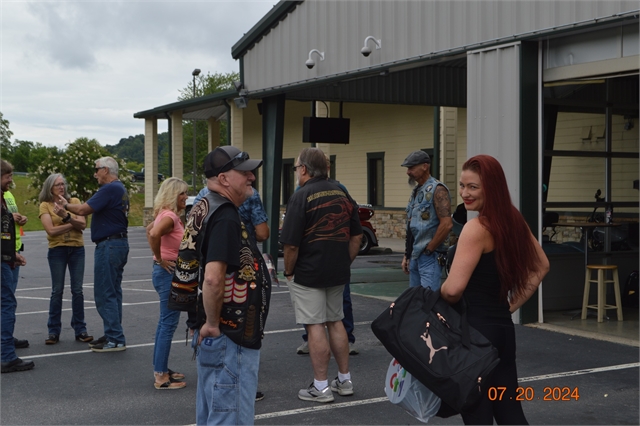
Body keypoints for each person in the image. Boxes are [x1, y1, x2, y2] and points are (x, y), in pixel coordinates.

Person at [440, 154, 549, 424]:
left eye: (473, 187)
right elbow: (541, 266)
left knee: (478, 416)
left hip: (474, 335)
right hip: (502, 332)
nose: (465, 193)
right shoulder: (513, 220)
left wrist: (439, 293)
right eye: (462, 185)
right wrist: (509, 307)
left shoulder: (475, 228)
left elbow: (453, 290)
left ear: (491, 187)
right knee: (510, 414)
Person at [191, 146, 271, 425]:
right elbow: (213, 277)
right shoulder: (225, 215)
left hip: (217, 334)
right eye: (244, 172)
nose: (251, 177)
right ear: (224, 179)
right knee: (229, 418)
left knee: (213, 414)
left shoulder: (204, 206)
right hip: (230, 334)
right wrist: (213, 324)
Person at [280, 147, 362, 403]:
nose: (296, 172)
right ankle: (344, 380)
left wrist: (289, 272)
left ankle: (321, 387)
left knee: (315, 325)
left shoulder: (300, 196)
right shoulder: (342, 192)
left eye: (296, 168)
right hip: (337, 271)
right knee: (336, 321)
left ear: (304, 169)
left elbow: (291, 245)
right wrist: (344, 261)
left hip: (309, 272)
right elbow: (356, 236)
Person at [58, 156, 129, 353]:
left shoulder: (109, 189)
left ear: (105, 170)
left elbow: (83, 209)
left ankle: (115, 338)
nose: (95, 174)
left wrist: (65, 205)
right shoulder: (119, 188)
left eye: (96, 169)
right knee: (113, 292)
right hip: (118, 243)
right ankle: (112, 333)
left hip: (109, 245)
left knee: (105, 293)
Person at [297, 154, 358, 356]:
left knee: (326, 311)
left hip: (319, 262)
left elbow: (290, 241)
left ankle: (345, 339)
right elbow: (356, 234)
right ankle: (315, 341)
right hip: (327, 261)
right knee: (329, 313)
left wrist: (290, 270)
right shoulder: (306, 191)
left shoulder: (337, 189)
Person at [38, 174, 93, 345]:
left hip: (77, 249)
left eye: (63, 184)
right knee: (57, 290)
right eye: (57, 185)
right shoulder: (45, 205)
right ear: (50, 188)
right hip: (57, 250)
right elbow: (51, 231)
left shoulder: (74, 202)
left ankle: (80, 329)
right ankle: (53, 331)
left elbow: (83, 225)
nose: (61, 187)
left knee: (77, 290)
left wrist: (66, 217)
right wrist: (72, 222)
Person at [145, 177, 189, 390]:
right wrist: (160, 258)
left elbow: (149, 230)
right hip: (167, 274)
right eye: (182, 193)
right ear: (173, 195)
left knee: (165, 323)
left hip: (165, 273)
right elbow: (153, 233)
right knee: (168, 324)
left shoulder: (165, 214)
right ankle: (161, 376)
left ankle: (160, 368)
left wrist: (158, 257)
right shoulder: (170, 217)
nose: (186, 197)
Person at [401, 150, 453, 290]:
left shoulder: (438, 190)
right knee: (415, 298)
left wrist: (429, 249)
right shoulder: (416, 191)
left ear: (425, 166)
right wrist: (407, 255)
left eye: (411, 168)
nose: (408, 172)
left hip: (430, 256)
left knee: (428, 298)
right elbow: (412, 226)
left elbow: (447, 224)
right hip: (416, 255)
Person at [1, 160, 34, 373]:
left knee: (5, 303)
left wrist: (13, 254)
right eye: (8, 176)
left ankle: (5, 344)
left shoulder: (5, 198)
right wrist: (10, 255)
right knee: (6, 304)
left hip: (7, 256)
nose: (11, 180)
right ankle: (6, 355)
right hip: (3, 260)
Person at [3, 184, 29, 350]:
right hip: (5, 253)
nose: (11, 180)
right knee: (5, 300)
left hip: (13, 250)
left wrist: (21, 219)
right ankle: (4, 341)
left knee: (9, 298)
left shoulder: (8, 195)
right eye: (8, 176)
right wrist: (11, 217)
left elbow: (10, 219)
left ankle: (6, 336)